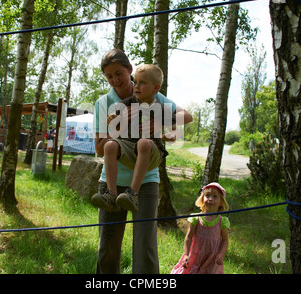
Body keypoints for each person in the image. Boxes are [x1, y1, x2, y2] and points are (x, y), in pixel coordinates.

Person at [93, 49, 193, 274]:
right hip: (112, 180)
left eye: (119, 73)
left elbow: (183, 121)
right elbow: (100, 149)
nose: (115, 80)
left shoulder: (153, 94)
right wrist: (117, 128)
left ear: (130, 70)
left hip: (146, 182)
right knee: (107, 248)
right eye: (109, 77)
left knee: (145, 247)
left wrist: (161, 125)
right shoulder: (103, 103)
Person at [91, 64, 178, 212]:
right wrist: (113, 119)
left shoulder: (161, 109)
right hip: (130, 148)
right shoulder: (127, 103)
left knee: (144, 143)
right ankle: (111, 194)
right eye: (136, 82)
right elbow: (116, 124)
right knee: (110, 146)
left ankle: (132, 193)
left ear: (156, 88)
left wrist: (167, 135)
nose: (136, 86)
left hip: (151, 152)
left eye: (142, 83)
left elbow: (175, 132)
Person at [171, 182, 230, 274]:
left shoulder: (222, 221)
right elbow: (188, 237)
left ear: (221, 202)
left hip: (212, 258)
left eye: (215, 197)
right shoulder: (196, 218)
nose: (210, 199)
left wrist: (221, 254)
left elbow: (225, 240)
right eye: (207, 196)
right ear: (202, 199)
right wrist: (186, 254)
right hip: (196, 255)